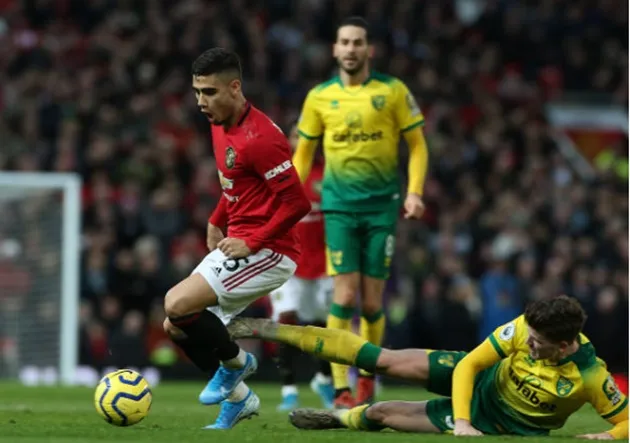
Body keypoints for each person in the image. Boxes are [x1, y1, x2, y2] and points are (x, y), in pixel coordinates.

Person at [227, 296, 629, 439]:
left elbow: (627, 421)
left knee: (382, 413)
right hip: (477, 381)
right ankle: (274, 329)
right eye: (529, 336)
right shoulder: (527, 327)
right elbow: (470, 364)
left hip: (502, 424)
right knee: (383, 359)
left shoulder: (591, 377)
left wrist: (610, 436)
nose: (527, 344)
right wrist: (462, 421)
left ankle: (335, 418)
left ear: (563, 346)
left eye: (537, 345)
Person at [162, 48, 311, 430]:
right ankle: (240, 400)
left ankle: (237, 363)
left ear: (235, 87)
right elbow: (238, 186)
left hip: (273, 251)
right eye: (197, 91)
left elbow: (297, 203)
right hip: (239, 239)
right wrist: (217, 218)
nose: (200, 102)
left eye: (209, 92)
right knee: (175, 325)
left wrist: (254, 241)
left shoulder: (261, 138)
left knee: (176, 303)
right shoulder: (218, 122)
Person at [292, 16, 430, 408]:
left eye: (358, 43)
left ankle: (367, 378)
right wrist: (288, 196)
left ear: (369, 50)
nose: (351, 49)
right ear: (335, 49)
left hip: (381, 209)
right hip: (337, 207)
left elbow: (418, 146)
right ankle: (340, 388)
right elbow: (303, 154)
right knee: (344, 297)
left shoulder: (392, 92)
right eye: (344, 42)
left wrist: (415, 193)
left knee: (371, 304)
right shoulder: (319, 97)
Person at [269, 121, 335, 411]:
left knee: (323, 325)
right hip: (287, 261)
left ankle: (323, 378)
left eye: (308, 135)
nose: (302, 139)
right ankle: (288, 390)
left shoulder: (328, 173)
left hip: (323, 264)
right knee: (286, 319)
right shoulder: (280, 174)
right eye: (296, 134)